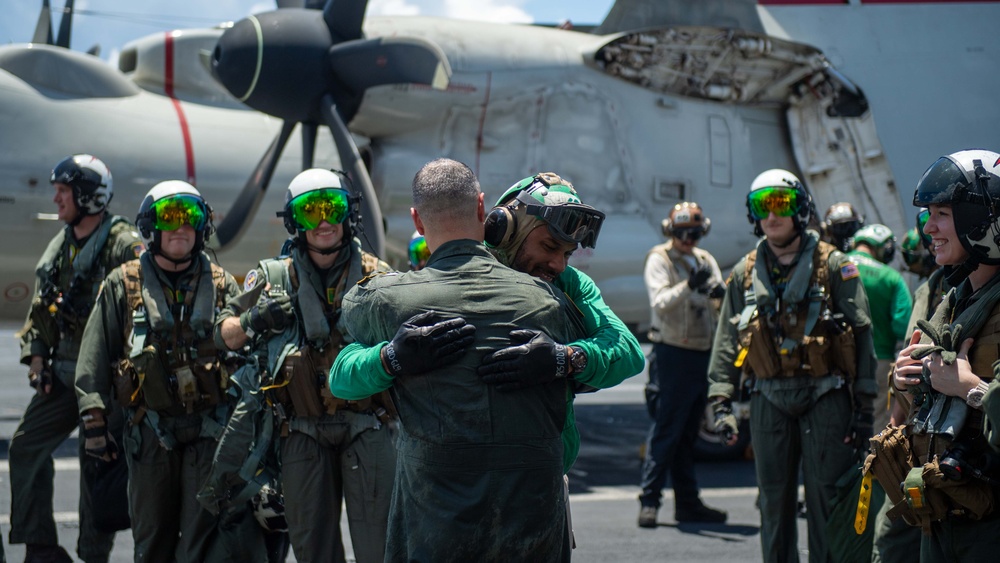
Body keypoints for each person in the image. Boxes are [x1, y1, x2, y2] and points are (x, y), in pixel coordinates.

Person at [330, 171, 643, 549]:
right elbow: (343, 377)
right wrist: (391, 357)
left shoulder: (567, 287)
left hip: (532, 491)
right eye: (548, 247)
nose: (558, 264)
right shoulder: (438, 283)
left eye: (566, 253)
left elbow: (626, 350)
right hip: (447, 495)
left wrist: (566, 358)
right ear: (501, 228)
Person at [74, 181, 265, 563]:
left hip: (209, 433)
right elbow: (93, 357)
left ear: (202, 227)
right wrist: (94, 424)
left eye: (189, 217)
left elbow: (250, 357)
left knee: (200, 537)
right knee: (152, 539)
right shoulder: (123, 284)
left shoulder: (222, 284)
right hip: (149, 433)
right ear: (150, 225)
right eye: (169, 217)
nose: (180, 227)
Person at [213, 168, 394, 563]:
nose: (325, 221)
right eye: (311, 211)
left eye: (333, 208)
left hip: (369, 423)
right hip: (300, 429)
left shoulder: (378, 277)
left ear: (349, 214)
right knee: (312, 548)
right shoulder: (273, 277)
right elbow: (222, 334)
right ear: (295, 220)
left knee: (380, 546)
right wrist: (254, 320)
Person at [707, 168, 877, 563]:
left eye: (780, 203)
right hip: (769, 397)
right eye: (761, 205)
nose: (771, 214)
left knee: (828, 498)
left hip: (826, 394)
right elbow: (726, 342)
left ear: (800, 208)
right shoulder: (743, 273)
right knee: (773, 502)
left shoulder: (835, 266)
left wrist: (865, 406)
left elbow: (863, 331)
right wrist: (721, 400)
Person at [9, 155, 141, 563]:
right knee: (25, 447)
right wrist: (36, 357)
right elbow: (42, 307)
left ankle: (91, 556)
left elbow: (142, 301)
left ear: (86, 196)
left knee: (95, 463)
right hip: (62, 372)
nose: (55, 199)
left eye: (63, 192)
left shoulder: (122, 243)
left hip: (103, 379)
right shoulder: (62, 244)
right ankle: (40, 545)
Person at [886, 149, 1000, 561]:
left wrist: (971, 389)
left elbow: (964, 388)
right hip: (943, 512)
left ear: (982, 218)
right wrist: (901, 378)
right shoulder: (953, 301)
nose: (928, 227)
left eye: (943, 214)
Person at [637, 202, 727, 528]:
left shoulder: (706, 261)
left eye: (694, 234)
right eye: (682, 233)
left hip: (701, 353)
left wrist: (719, 292)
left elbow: (722, 302)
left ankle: (687, 503)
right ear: (671, 232)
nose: (688, 240)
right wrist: (689, 286)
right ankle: (649, 501)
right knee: (666, 431)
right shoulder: (659, 259)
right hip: (672, 354)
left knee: (689, 433)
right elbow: (660, 303)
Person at [871, 210, 943, 563]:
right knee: (891, 543)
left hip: (951, 448)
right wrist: (895, 424)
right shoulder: (927, 289)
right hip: (914, 436)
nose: (931, 231)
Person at [847, 224, 913, 430]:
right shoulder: (890, 277)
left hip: (835, 362)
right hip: (878, 362)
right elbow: (903, 326)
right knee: (875, 425)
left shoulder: (834, 264)